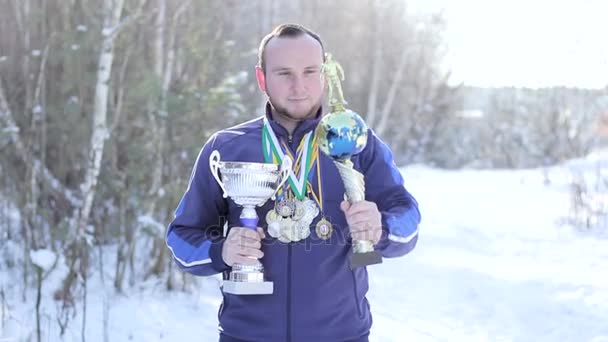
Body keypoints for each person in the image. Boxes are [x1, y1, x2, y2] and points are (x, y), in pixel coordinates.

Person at [165, 23, 421, 342]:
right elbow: (182, 237)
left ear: (325, 75)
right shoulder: (225, 148)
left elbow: (408, 219)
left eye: (310, 71)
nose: (299, 86)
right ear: (262, 78)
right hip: (246, 336)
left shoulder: (355, 142)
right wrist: (221, 251)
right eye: (284, 73)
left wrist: (381, 225)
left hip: (341, 335)